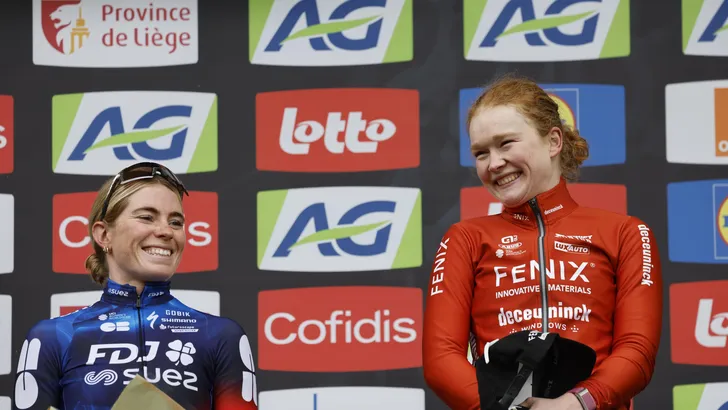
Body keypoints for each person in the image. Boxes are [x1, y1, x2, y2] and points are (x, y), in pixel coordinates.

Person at [422, 75, 662, 410]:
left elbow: (637, 351)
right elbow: (441, 358)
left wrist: (576, 404)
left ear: (553, 141)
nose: (494, 163)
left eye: (506, 143)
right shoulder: (465, 238)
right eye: (481, 153)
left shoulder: (626, 233)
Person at [12, 162, 258, 410]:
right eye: (146, 217)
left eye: (176, 222)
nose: (166, 231)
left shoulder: (220, 336)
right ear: (104, 235)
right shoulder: (54, 337)